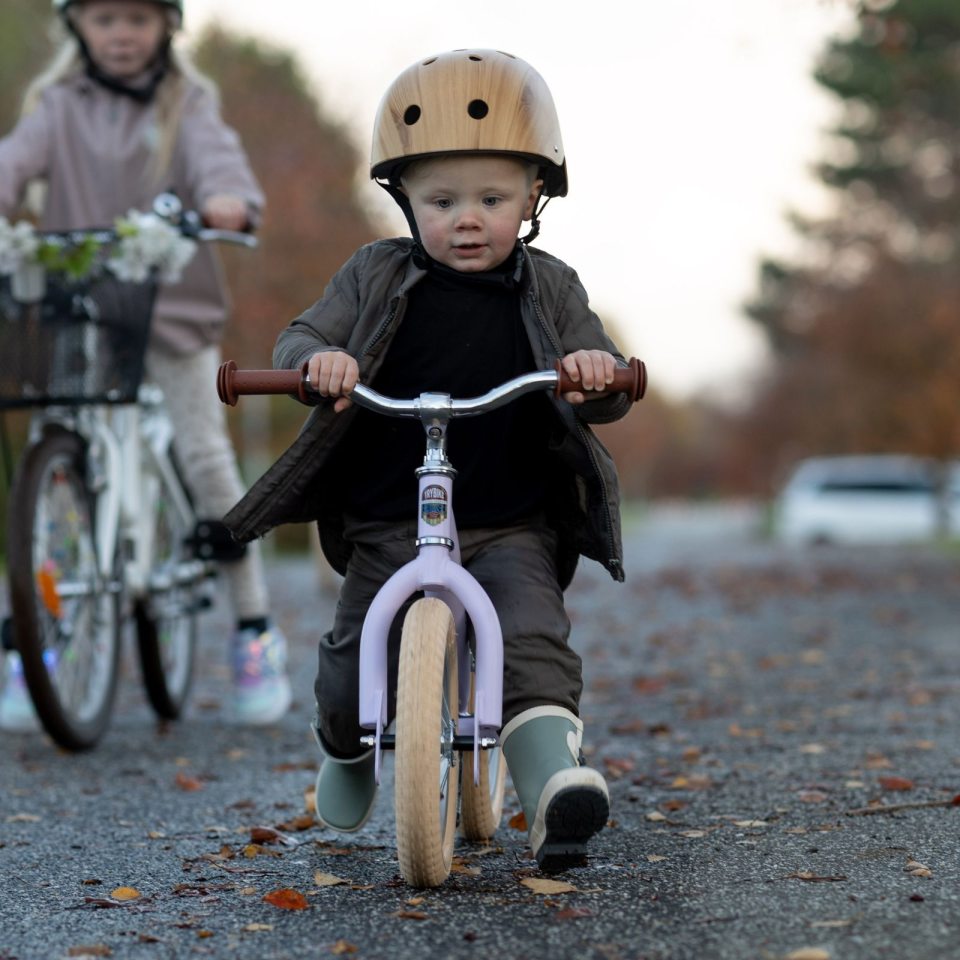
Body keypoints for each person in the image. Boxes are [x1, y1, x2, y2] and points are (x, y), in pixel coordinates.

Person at [224, 49, 633, 871]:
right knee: (348, 665)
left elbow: (605, 372)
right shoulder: (374, 274)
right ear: (405, 200)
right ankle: (345, 750)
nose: (468, 219)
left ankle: (555, 787)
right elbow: (304, 336)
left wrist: (595, 375)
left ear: (533, 197)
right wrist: (317, 364)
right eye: (442, 201)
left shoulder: (549, 287)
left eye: (492, 198)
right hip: (385, 524)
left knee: (532, 640)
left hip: (512, 522)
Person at [0, 0, 291, 730]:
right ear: (79, 29)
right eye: (104, 19)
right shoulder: (58, 107)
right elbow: (13, 164)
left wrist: (227, 203)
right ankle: (34, 641)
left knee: (202, 450)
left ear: (166, 26)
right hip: (80, 306)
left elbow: (219, 164)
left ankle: (253, 627)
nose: (121, 34)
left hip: (170, 309)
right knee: (53, 441)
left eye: (137, 18)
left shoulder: (183, 104)